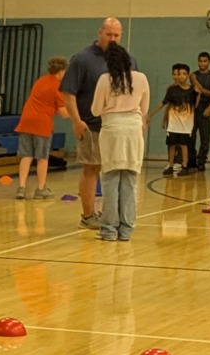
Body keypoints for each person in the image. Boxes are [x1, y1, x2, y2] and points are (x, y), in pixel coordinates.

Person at [60, 18, 137, 229]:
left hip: (118, 127)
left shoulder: (128, 60)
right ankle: (88, 215)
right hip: (91, 125)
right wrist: (76, 121)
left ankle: (114, 214)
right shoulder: (83, 59)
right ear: (100, 32)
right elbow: (68, 93)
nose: (112, 39)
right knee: (91, 168)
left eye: (117, 35)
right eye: (108, 34)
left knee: (117, 170)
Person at [90, 45, 150, 242]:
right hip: (133, 130)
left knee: (110, 182)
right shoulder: (141, 79)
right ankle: (126, 230)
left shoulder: (104, 80)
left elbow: (95, 110)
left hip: (112, 131)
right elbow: (145, 108)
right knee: (129, 183)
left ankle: (108, 230)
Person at [14, 56, 70, 199]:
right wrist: (77, 112)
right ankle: (41, 188)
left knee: (26, 155)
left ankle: (21, 188)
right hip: (42, 123)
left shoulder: (40, 81)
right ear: (62, 71)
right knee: (42, 157)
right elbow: (64, 113)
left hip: (26, 120)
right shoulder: (58, 87)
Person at [146, 63, 194, 177]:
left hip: (186, 124)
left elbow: (197, 104)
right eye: (178, 74)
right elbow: (164, 103)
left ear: (188, 76)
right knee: (171, 144)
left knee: (184, 145)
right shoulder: (172, 90)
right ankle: (171, 165)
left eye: (183, 74)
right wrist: (151, 114)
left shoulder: (193, 91)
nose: (180, 76)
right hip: (173, 123)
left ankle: (185, 166)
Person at [188, 52, 210, 171]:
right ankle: (191, 160)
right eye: (200, 61)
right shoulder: (193, 75)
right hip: (194, 108)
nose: (202, 63)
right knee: (191, 136)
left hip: (206, 108)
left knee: (205, 137)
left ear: (209, 62)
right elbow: (201, 90)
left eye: (205, 61)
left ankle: (201, 161)